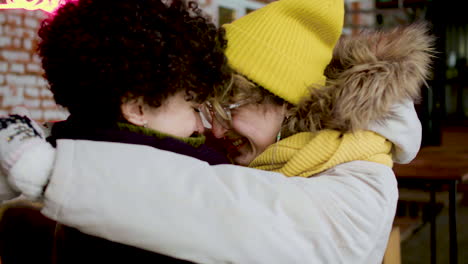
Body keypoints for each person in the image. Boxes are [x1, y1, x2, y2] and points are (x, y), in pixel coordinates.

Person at [0, 0, 434, 263]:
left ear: (290, 103)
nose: (212, 125)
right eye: (207, 107)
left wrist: (52, 170)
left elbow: (231, 208)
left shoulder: (363, 179)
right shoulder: (247, 144)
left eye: (229, 106)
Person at [0, 0, 231, 262]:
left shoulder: (64, 146)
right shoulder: (198, 169)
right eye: (194, 109)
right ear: (138, 109)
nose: (201, 127)